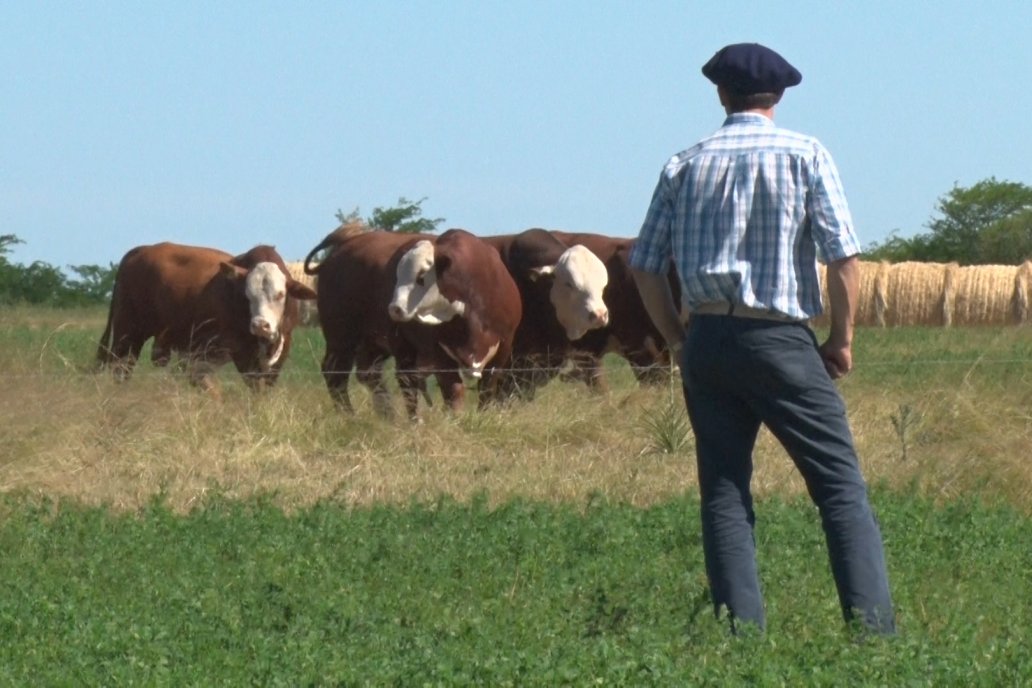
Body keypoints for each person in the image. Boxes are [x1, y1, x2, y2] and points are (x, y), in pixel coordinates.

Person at [629, 42, 895, 635]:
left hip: (707, 340)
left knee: (724, 493)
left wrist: (677, 337)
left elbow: (643, 264)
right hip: (780, 339)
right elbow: (844, 258)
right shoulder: (805, 154)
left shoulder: (684, 162)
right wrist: (841, 338)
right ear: (778, 96)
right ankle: (875, 638)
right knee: (839, 490)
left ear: (721, 94)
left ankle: (741, 640)